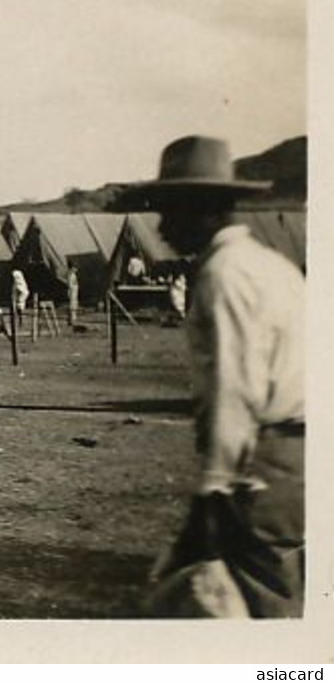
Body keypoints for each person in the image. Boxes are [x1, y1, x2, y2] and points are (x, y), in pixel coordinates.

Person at [122, 136, 304, 618]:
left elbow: (235, 391)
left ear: (204, 209)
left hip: (265, 465)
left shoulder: (222, 275)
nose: (162, 227)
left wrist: (214, 491)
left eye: (170, 211)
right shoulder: (274, 267)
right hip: (301, 461)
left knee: (248, 607)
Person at [10, 268, 30, 339]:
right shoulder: (16, 283)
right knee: (16, 313)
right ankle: (18, 324)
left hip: (19, 301)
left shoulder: (20, 283)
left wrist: (19, 300)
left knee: (20, 312)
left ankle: (21, 323)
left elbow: (24, 292)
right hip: (16, 300)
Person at [65, 262, 81, 329]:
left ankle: (72, 319)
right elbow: (70, 284)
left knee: (74, 305)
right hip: (72, 291)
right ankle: (71, 320)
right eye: (75, 268)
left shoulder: (73, 274)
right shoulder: (71, 274)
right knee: (72, 305)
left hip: (74, 291)